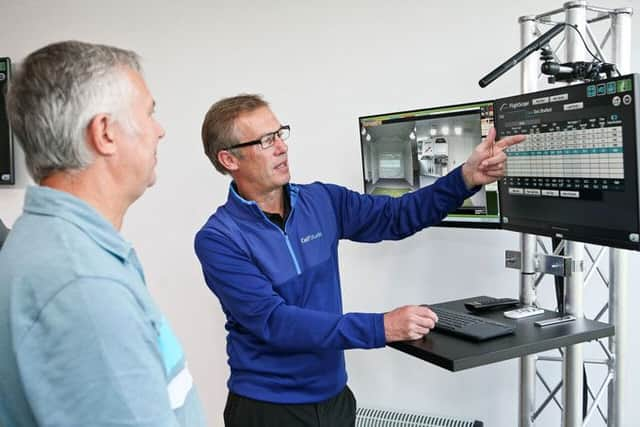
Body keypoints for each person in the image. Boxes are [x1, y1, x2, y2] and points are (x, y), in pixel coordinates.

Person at [195, 94, 524, 427]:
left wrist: (465, 178)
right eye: (266, 141)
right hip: (268, 409)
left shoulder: (321, 201)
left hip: (335, 400)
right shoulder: (219, 239)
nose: (282, 147)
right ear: (229, 159)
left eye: (280, 133)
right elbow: (275, 322)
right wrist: (380, 327)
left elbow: (397, 216)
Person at [0, 41, 206, 427]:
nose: (159, 131)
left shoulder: (59, 245)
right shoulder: (81, 284)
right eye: (149, 113)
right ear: (105, 133)